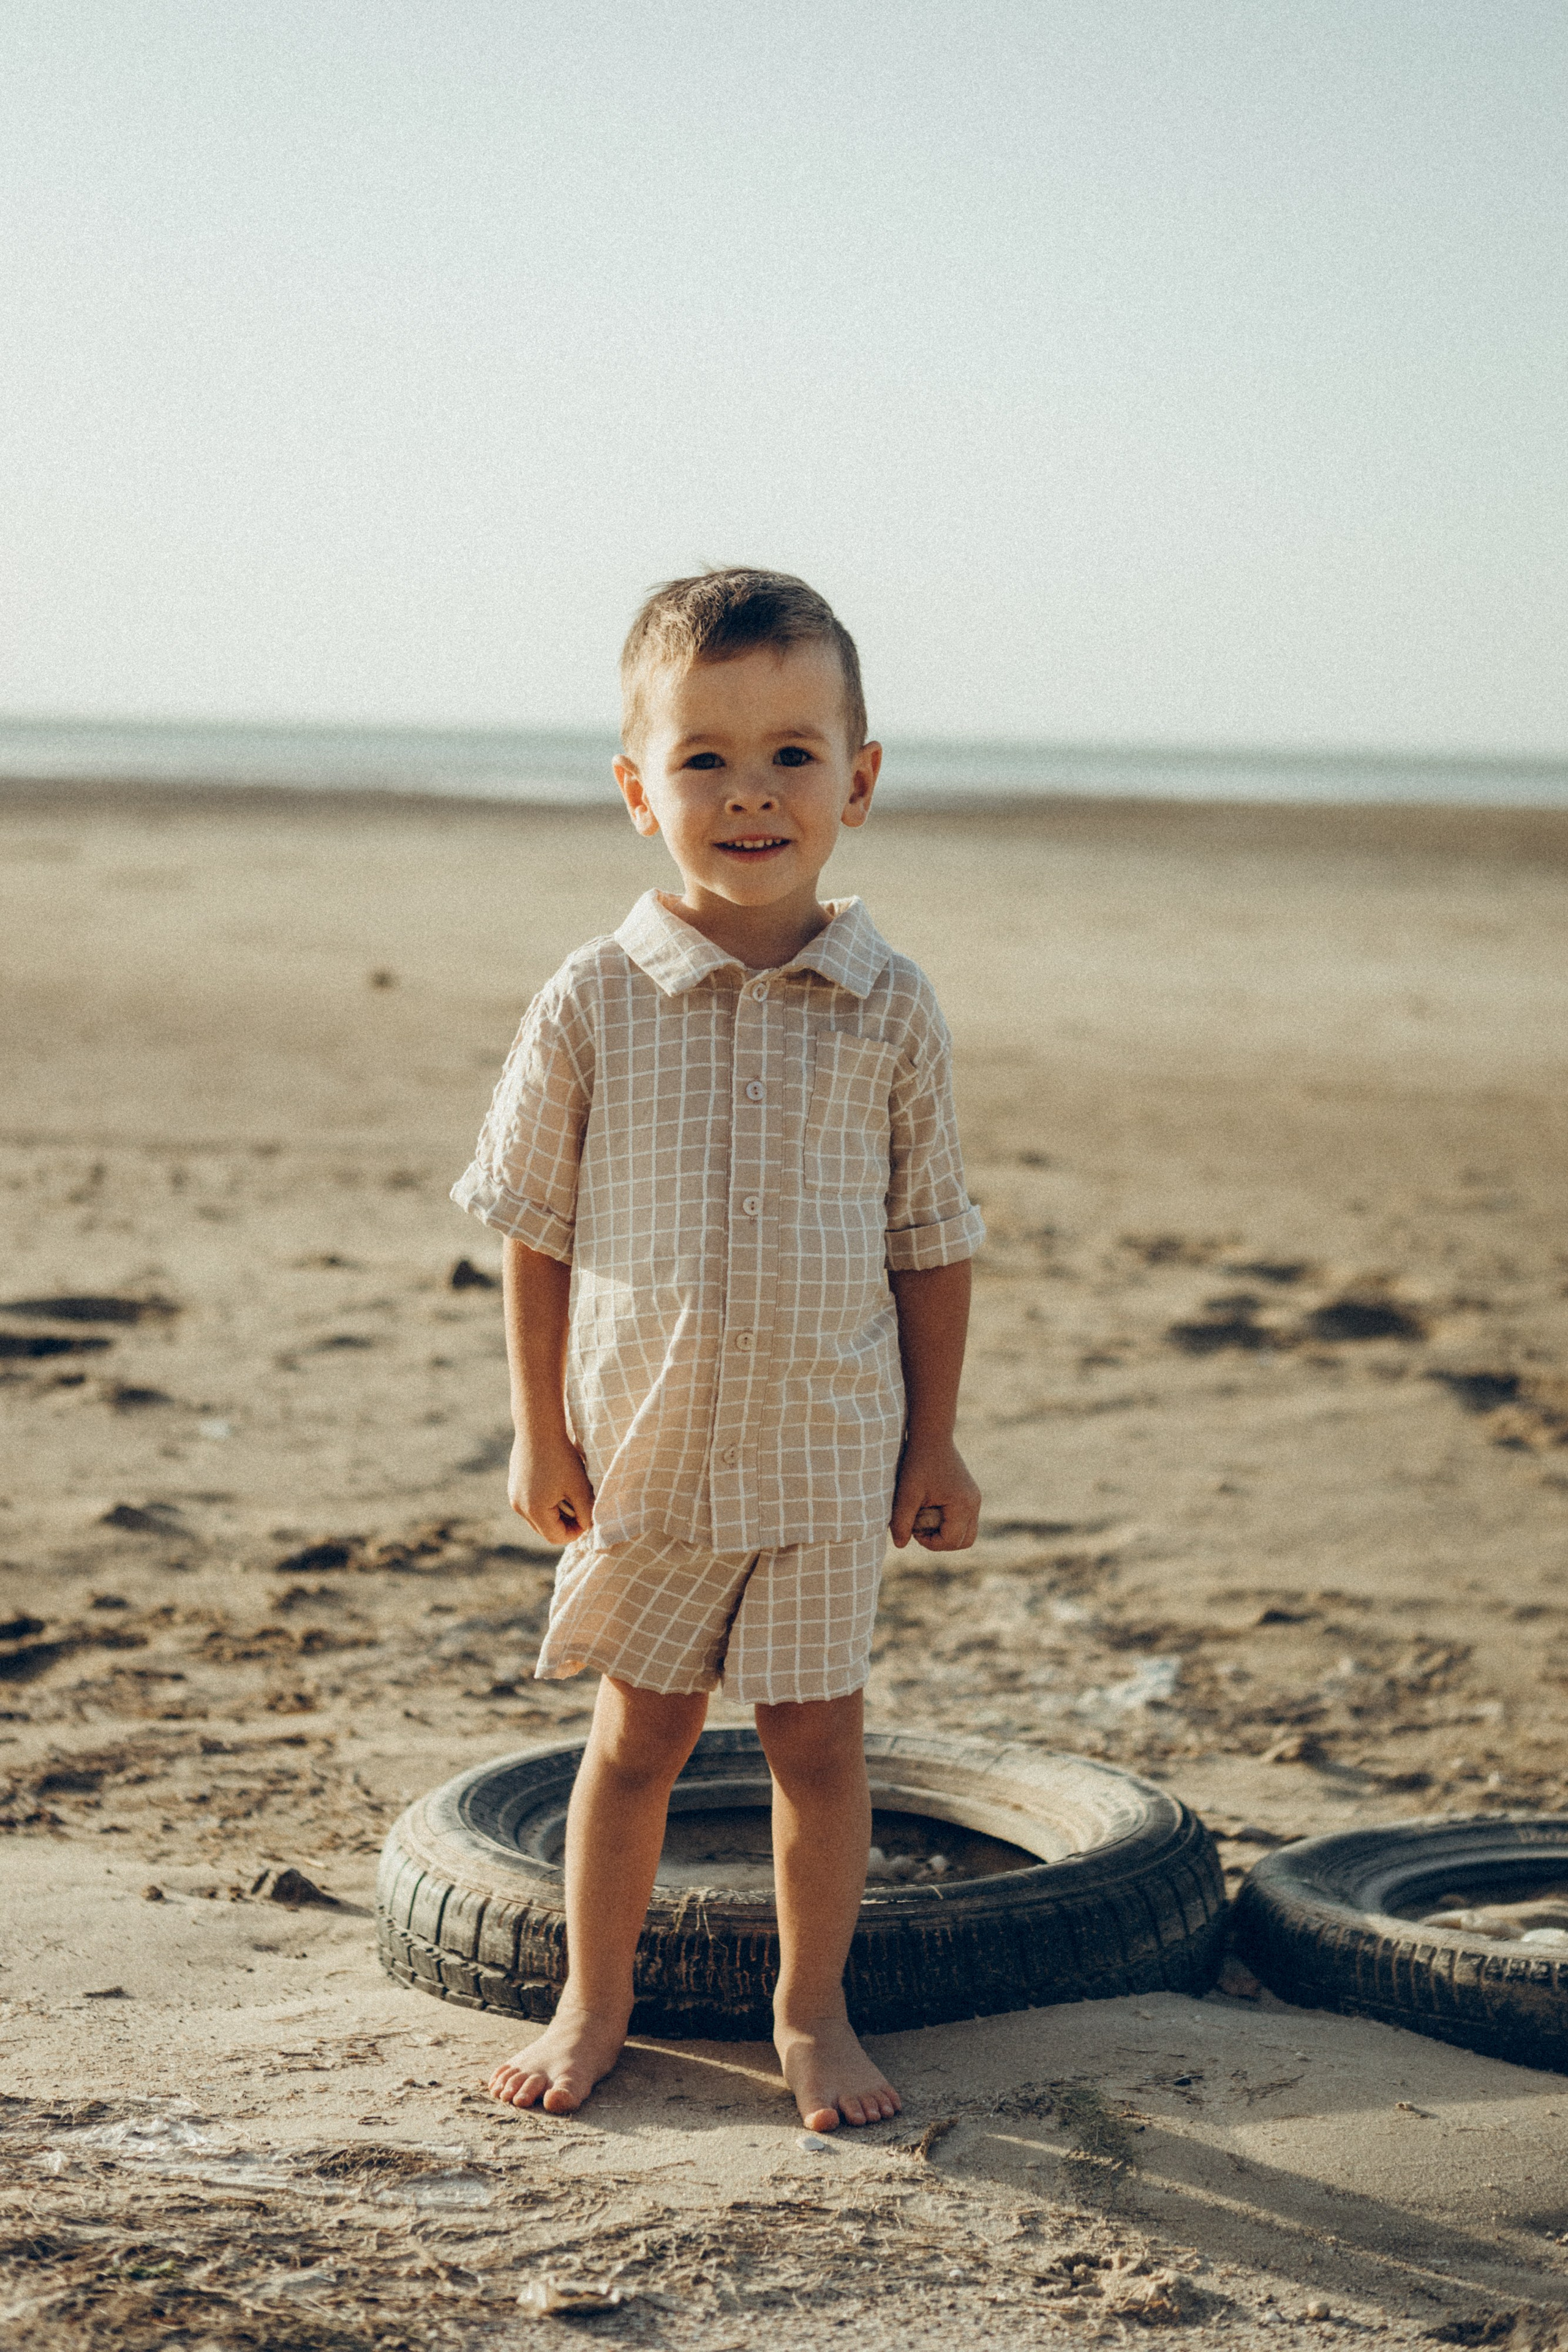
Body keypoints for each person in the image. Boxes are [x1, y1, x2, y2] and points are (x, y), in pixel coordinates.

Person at [452, 568, 984, 2132]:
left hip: (830, 1449)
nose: (749, 795)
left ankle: (809, 2014)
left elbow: (929, 1236)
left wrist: (935, 1437)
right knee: (638, 1743)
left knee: (819, 1746)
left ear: (859, 782)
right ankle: (591, 2001)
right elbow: (530, 1225)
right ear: (637, 791)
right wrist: (535, 1430)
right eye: (702, 759)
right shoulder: (594, 998)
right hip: (650, 1447)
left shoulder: (887, 1005)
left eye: (791, 755)